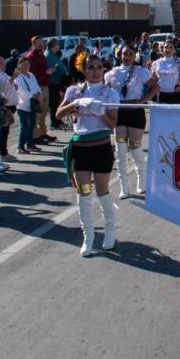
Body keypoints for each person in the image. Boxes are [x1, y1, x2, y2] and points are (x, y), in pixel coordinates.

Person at [57, 55, 120, 256]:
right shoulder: (74, 91)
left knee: (102, 191)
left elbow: (112, 124)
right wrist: (75, 103)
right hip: (80, 147)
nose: (96, 71)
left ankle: (110, 230)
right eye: (91, 67)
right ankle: (89, 236)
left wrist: (100, 111)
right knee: (84, 191)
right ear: (83, 70)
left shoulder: (110, 93)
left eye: (99, 67)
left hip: (101, 146)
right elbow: (58, 114)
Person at [105, 44, 155, 198]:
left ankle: (142, 181)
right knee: (120, 151)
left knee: (135, 148)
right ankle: (124, 187)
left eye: (130, 54)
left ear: (135, 56)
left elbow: (155, 87)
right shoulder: (111, 73)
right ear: (119, 55)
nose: (127, 57)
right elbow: (105, 92)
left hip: (135, 111)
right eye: (124, 54)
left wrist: (143, 101)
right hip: (119, 112)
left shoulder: (141, 71)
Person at [25, 37, 56, 144]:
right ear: (33, 44)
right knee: (37, 114)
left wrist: (49, 71)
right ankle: (35, 136)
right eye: (39, 43)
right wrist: (46, 72)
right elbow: (30, 73)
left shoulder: (41, 54)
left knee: (43, 112)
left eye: (42, 42)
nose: (41, 44)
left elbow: (42, 69)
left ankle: (43, 133)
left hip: (45, 86)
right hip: (37, 89)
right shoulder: (30, 57)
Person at [0, 56, 18, 161]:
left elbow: (10, 86)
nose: (4, 65)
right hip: (4, 106)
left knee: (5, 131)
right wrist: (13, 78)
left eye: (4, 62)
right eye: (1, 63)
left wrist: (14, 84)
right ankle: (2, 153)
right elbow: (3, 89)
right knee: (3, 132)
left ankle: (3, 152)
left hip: (9, 105)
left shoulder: (3, 74)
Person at [14, 58, 41, 154]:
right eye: (24, 64)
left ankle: (30, 144)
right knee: (25, 126)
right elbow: (21, 90)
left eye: (28, 64)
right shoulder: (18, 77)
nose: (26, 66)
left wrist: (38, 93)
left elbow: (37, 86)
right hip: (23, 105)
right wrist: (33, 95)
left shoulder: (31, 75)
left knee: (32, 125)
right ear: (19, 65)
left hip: (33, 104)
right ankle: (20, 147)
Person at [45, 39, 68, 130]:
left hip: (57, 83)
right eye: (58, 44)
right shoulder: (48, 55)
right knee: (53, 104)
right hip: (52, 83)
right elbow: (50, 70)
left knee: (57, 103)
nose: (59, 46)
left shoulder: (52, 54)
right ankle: (54, 123)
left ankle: (58, 121)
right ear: (53, 45)